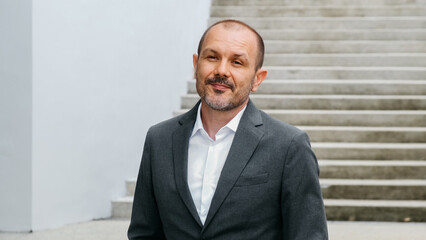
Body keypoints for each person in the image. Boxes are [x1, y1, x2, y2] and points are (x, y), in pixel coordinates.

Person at [128, 19, 328, 240]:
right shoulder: (159, 140)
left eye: (237, 62)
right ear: (196, 65)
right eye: (212, 57)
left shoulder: (289, 145)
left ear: (257, 79)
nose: (221, 71)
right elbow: (144, 233)